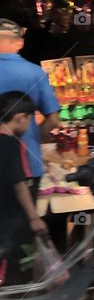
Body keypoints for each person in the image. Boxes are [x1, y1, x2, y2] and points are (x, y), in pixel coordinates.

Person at [0, 19, 62, 242]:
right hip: (26, 164)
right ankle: (22, 273)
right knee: (23, 234)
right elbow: (54, 120)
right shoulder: (35, 73)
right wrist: (37, 137)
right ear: (19, 43)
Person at [0, 92, 47, 286]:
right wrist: (34, 218)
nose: (30, 126)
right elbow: (20, 185)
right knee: (11, 266)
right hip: (9, 217)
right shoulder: (11, 144)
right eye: (30, 120)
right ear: (20, 118)